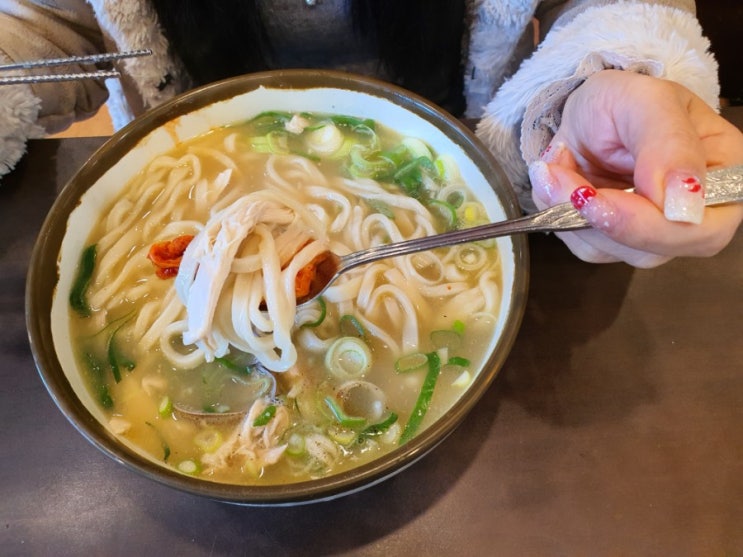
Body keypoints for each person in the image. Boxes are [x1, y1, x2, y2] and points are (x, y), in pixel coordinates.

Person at [1, 0, 741, 268]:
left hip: (475, 215)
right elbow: (36, 23)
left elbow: (617, 8)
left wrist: (591, 88)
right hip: (181, 205)